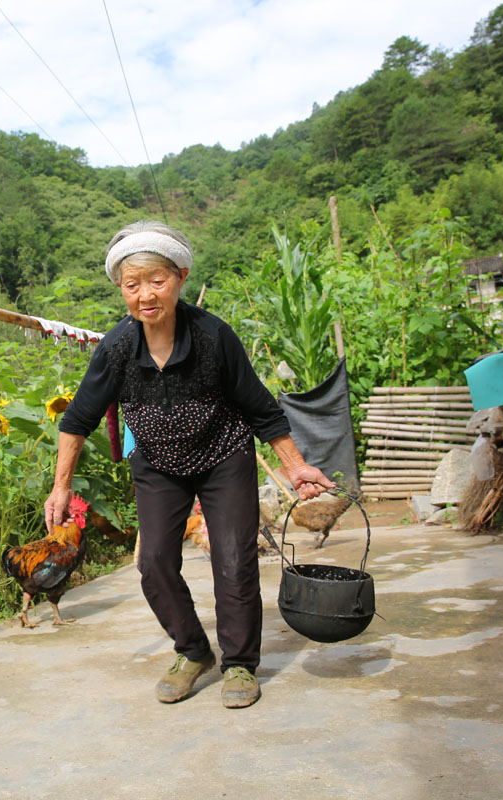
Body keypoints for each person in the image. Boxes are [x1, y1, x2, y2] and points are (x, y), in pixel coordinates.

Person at [45, 220, 334, 709]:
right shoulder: (116, 349)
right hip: (158, 465)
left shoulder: (213, 337)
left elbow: (260, 407)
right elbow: (77, 420)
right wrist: (60, 488)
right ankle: (193, 651)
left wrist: (295, 465)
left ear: (179, 277)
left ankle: (240, 663)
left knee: (233, 560)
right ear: (121, 289)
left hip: (223, 456)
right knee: (155, 561)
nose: (145, 295)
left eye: (156, 281)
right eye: (132, 285)